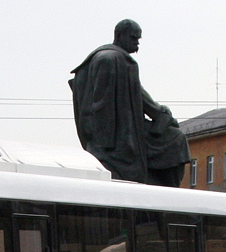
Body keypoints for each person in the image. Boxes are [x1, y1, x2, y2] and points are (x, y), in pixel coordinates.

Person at [70, 20, 192, 186]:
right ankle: (168, 195)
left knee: (173, 136)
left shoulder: (108, 58)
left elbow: (138, 94)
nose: (137, 45)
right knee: (176, 139)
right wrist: (107, 143)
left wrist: (159, 112)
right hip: (120, 135)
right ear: (120, 36)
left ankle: (165, 194)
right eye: (134, 39)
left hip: (120, 131)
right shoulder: (114, 59)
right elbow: (101, 104)